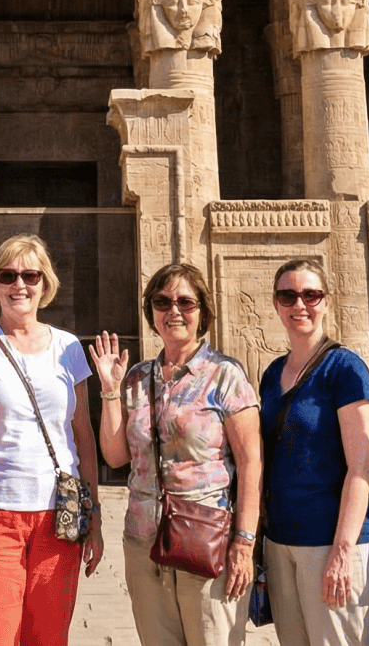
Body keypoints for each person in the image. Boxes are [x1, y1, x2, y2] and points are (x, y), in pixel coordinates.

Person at [0, 234, 103, 645]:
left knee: (49, 637)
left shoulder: (68, 348)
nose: (20, 285)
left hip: (58, 516)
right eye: (8, 275)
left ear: (45, 284)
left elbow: (82, 435)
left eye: (30, 275)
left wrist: (96, 516)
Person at [93, 264, 261, 646]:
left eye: (186, 301)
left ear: (202, 311)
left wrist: (244, 543)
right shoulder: (137, 377)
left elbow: (252, 463)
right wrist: (108, 391)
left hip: (207, 541)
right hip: (144, 541)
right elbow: (116, 456)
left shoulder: (225, 376)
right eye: (162, 301)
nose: (174, 311)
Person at [258, 258, 369, 645]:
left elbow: (360, 468)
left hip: (332, 543)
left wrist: (342, 552)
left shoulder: (345, 369)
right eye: (288, 295)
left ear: (325, 301)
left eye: (310, 294)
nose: (300, 305)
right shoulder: (272, 373)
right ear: (277, 304)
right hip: (281, 544)